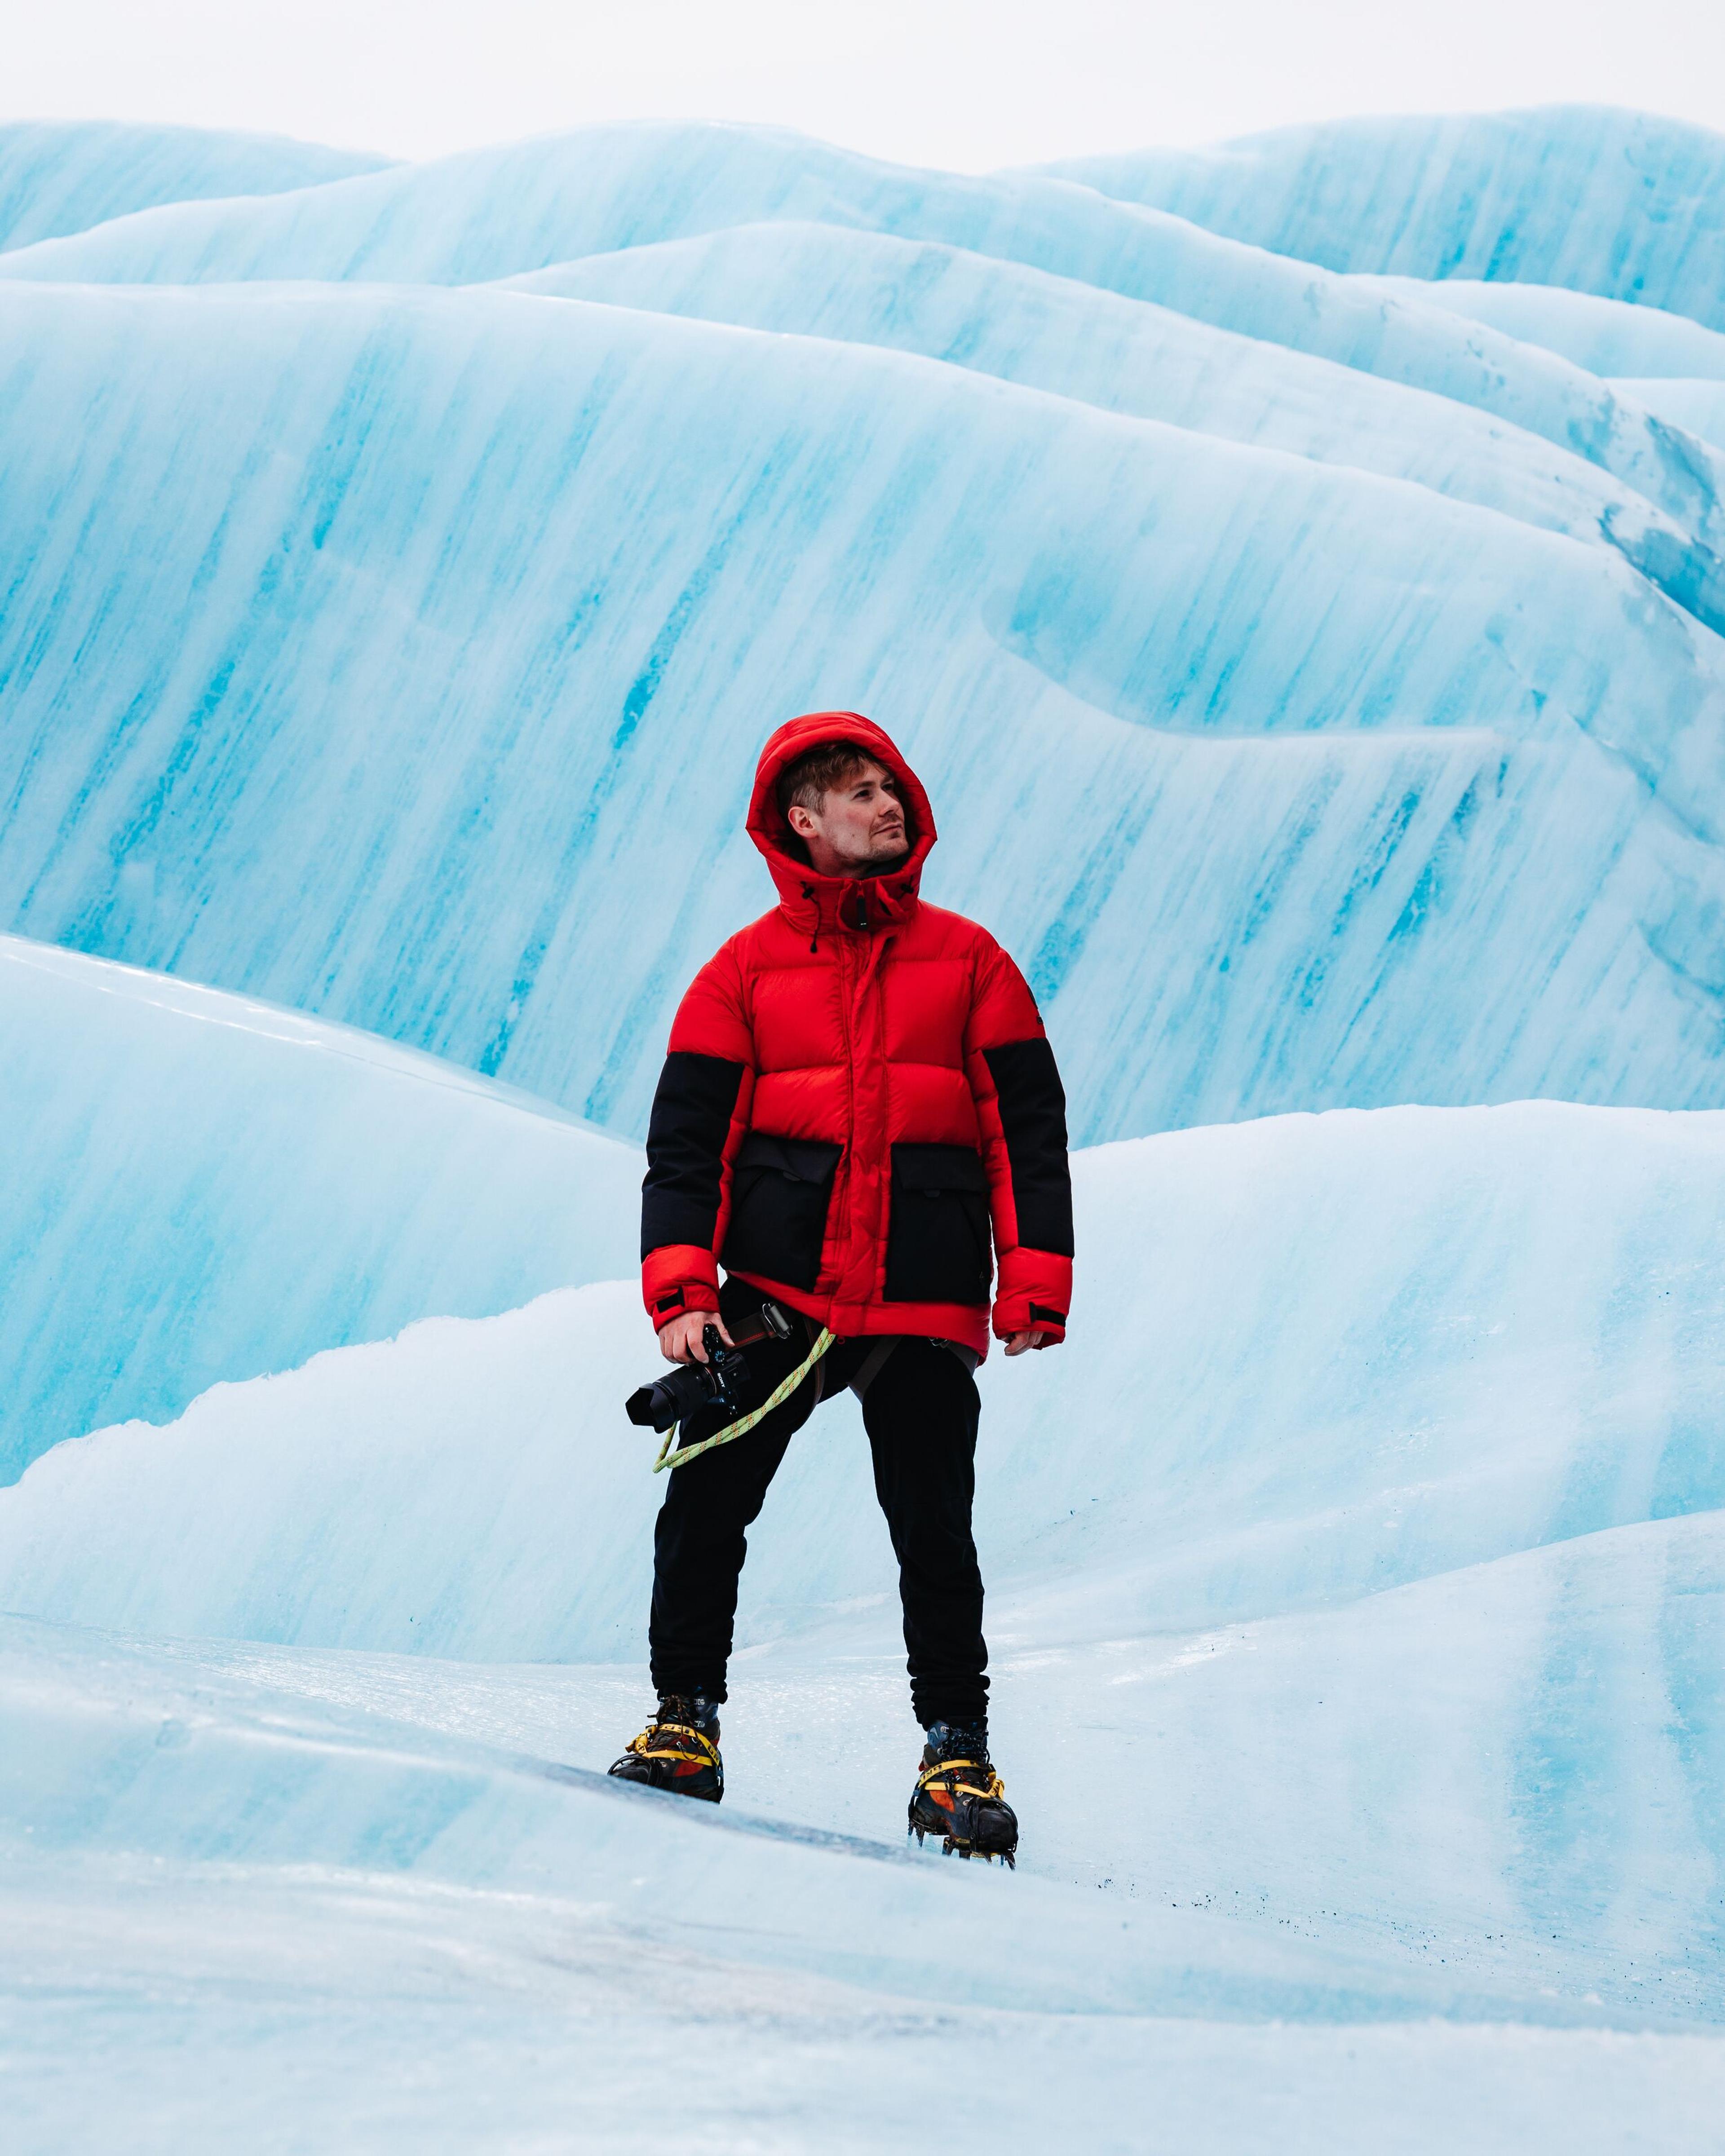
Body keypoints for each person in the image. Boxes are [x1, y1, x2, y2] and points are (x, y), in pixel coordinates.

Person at [609, 712, 1073, 1864]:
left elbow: (1026, 1132)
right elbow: (688, 1146)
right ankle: (686, 1726)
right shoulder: (741, 972)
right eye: (860, 792)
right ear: (800, 823)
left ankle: (954, 1756)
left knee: (936, 1538)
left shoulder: (972, 962)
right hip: (775, 1297)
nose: (888, 804)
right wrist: (681, 1291)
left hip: (919, 1303)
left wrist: (1036, 1281)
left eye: (893, 788)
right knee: (706, 1504)